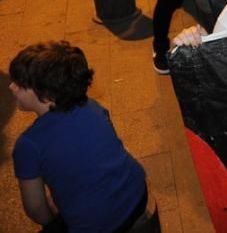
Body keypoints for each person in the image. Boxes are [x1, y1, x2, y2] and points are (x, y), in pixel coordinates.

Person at [10, 41, 149, 232]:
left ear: (46, 94)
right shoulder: (91, 105)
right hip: (137, 194)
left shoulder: (29, 145)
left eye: (19, 84)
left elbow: (35, 208)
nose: (11, 87)